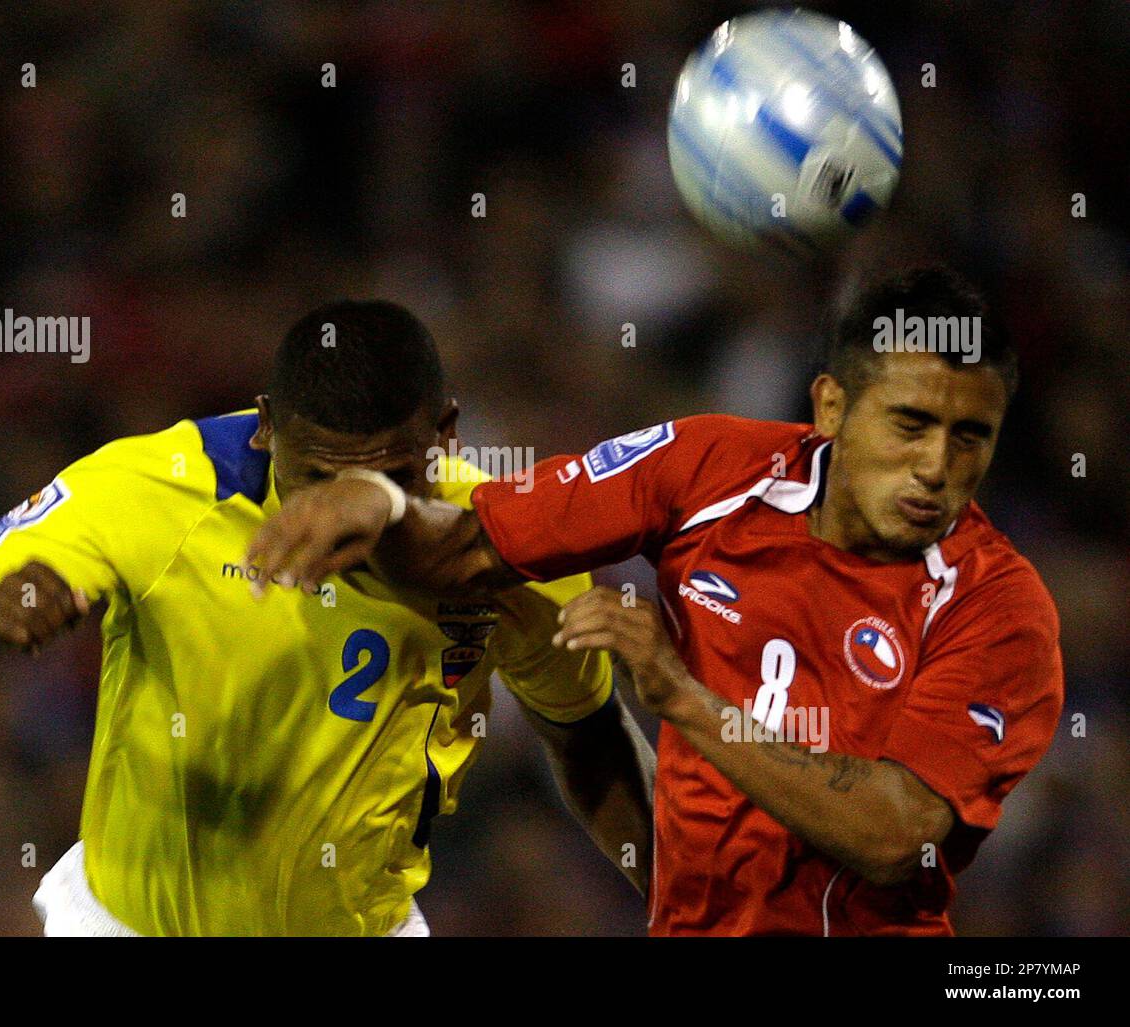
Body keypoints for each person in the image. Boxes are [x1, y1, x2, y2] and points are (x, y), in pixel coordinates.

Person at [247, 267, 1064, 936]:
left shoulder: (1000, 609)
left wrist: (685, 698)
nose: (935, 466)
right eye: (911, 423)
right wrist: (376, 500)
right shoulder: (707, 467)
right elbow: (465, 548)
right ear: (831, 408)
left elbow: (894, 836)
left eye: (970, 436)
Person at [0, 300, 654, 936]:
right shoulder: (153, 491)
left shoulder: (503, 552)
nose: (337, 512)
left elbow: (589, 739)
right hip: (127, 926)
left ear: (444, 435)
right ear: (266, 425)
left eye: (388, 479)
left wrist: (697, 914)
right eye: (313, 476)